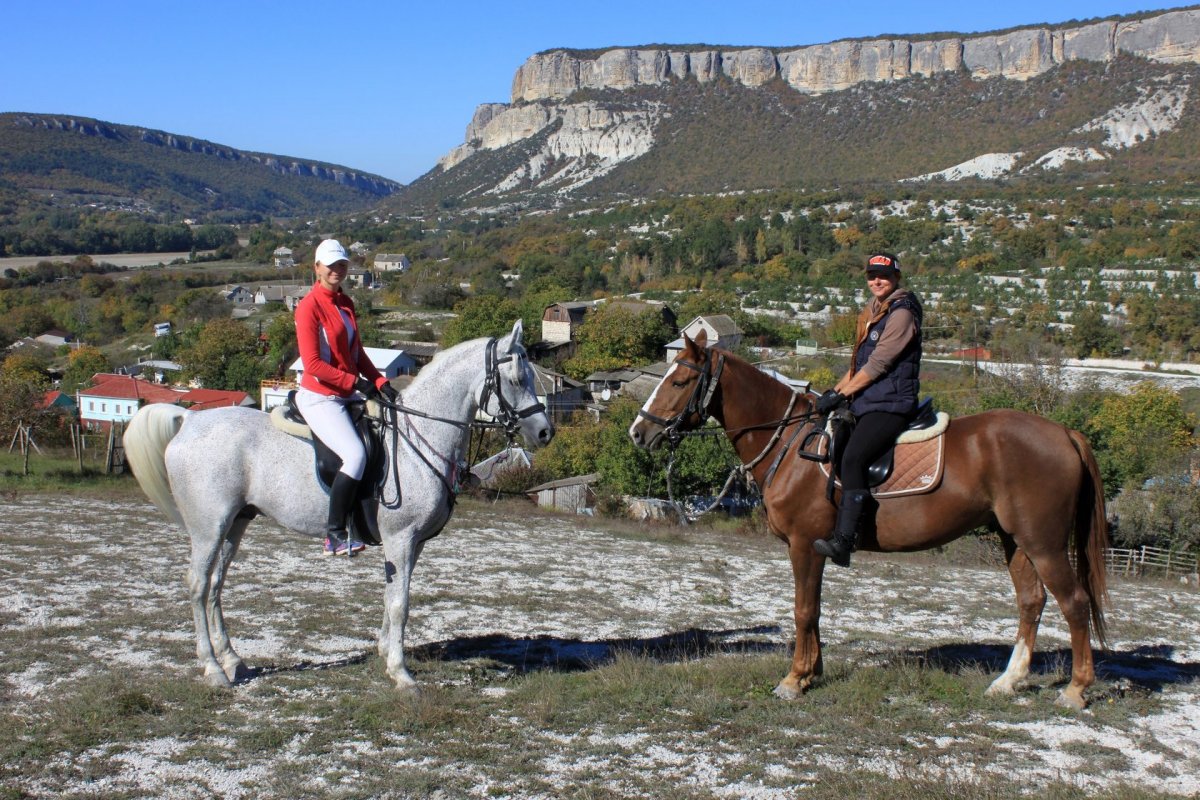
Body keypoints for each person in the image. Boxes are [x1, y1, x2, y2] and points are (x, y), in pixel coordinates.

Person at [812, 253, 923, 568]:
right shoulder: (874, 311)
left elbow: (878, 364)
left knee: (854, 457)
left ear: (896, 278)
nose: (877, 281)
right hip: (868, 401)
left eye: (883, 276)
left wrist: (842, 394)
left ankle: (846, 540)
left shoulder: (902, 313)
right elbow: (856, 366)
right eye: (872, 275)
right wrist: (832, 392)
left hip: (891, 403)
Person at [294, 239, 398, 556]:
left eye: (341, 265)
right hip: (320, 397)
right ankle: (335, 534)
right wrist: (356, 383)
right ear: (317, 268)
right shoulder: (308, 307)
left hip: (346, 393)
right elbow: (313, 364)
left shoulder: (346, 303)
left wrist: (379, 380)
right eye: (331, 265)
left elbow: (357, 353)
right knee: (354, 455)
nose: (337, 270)